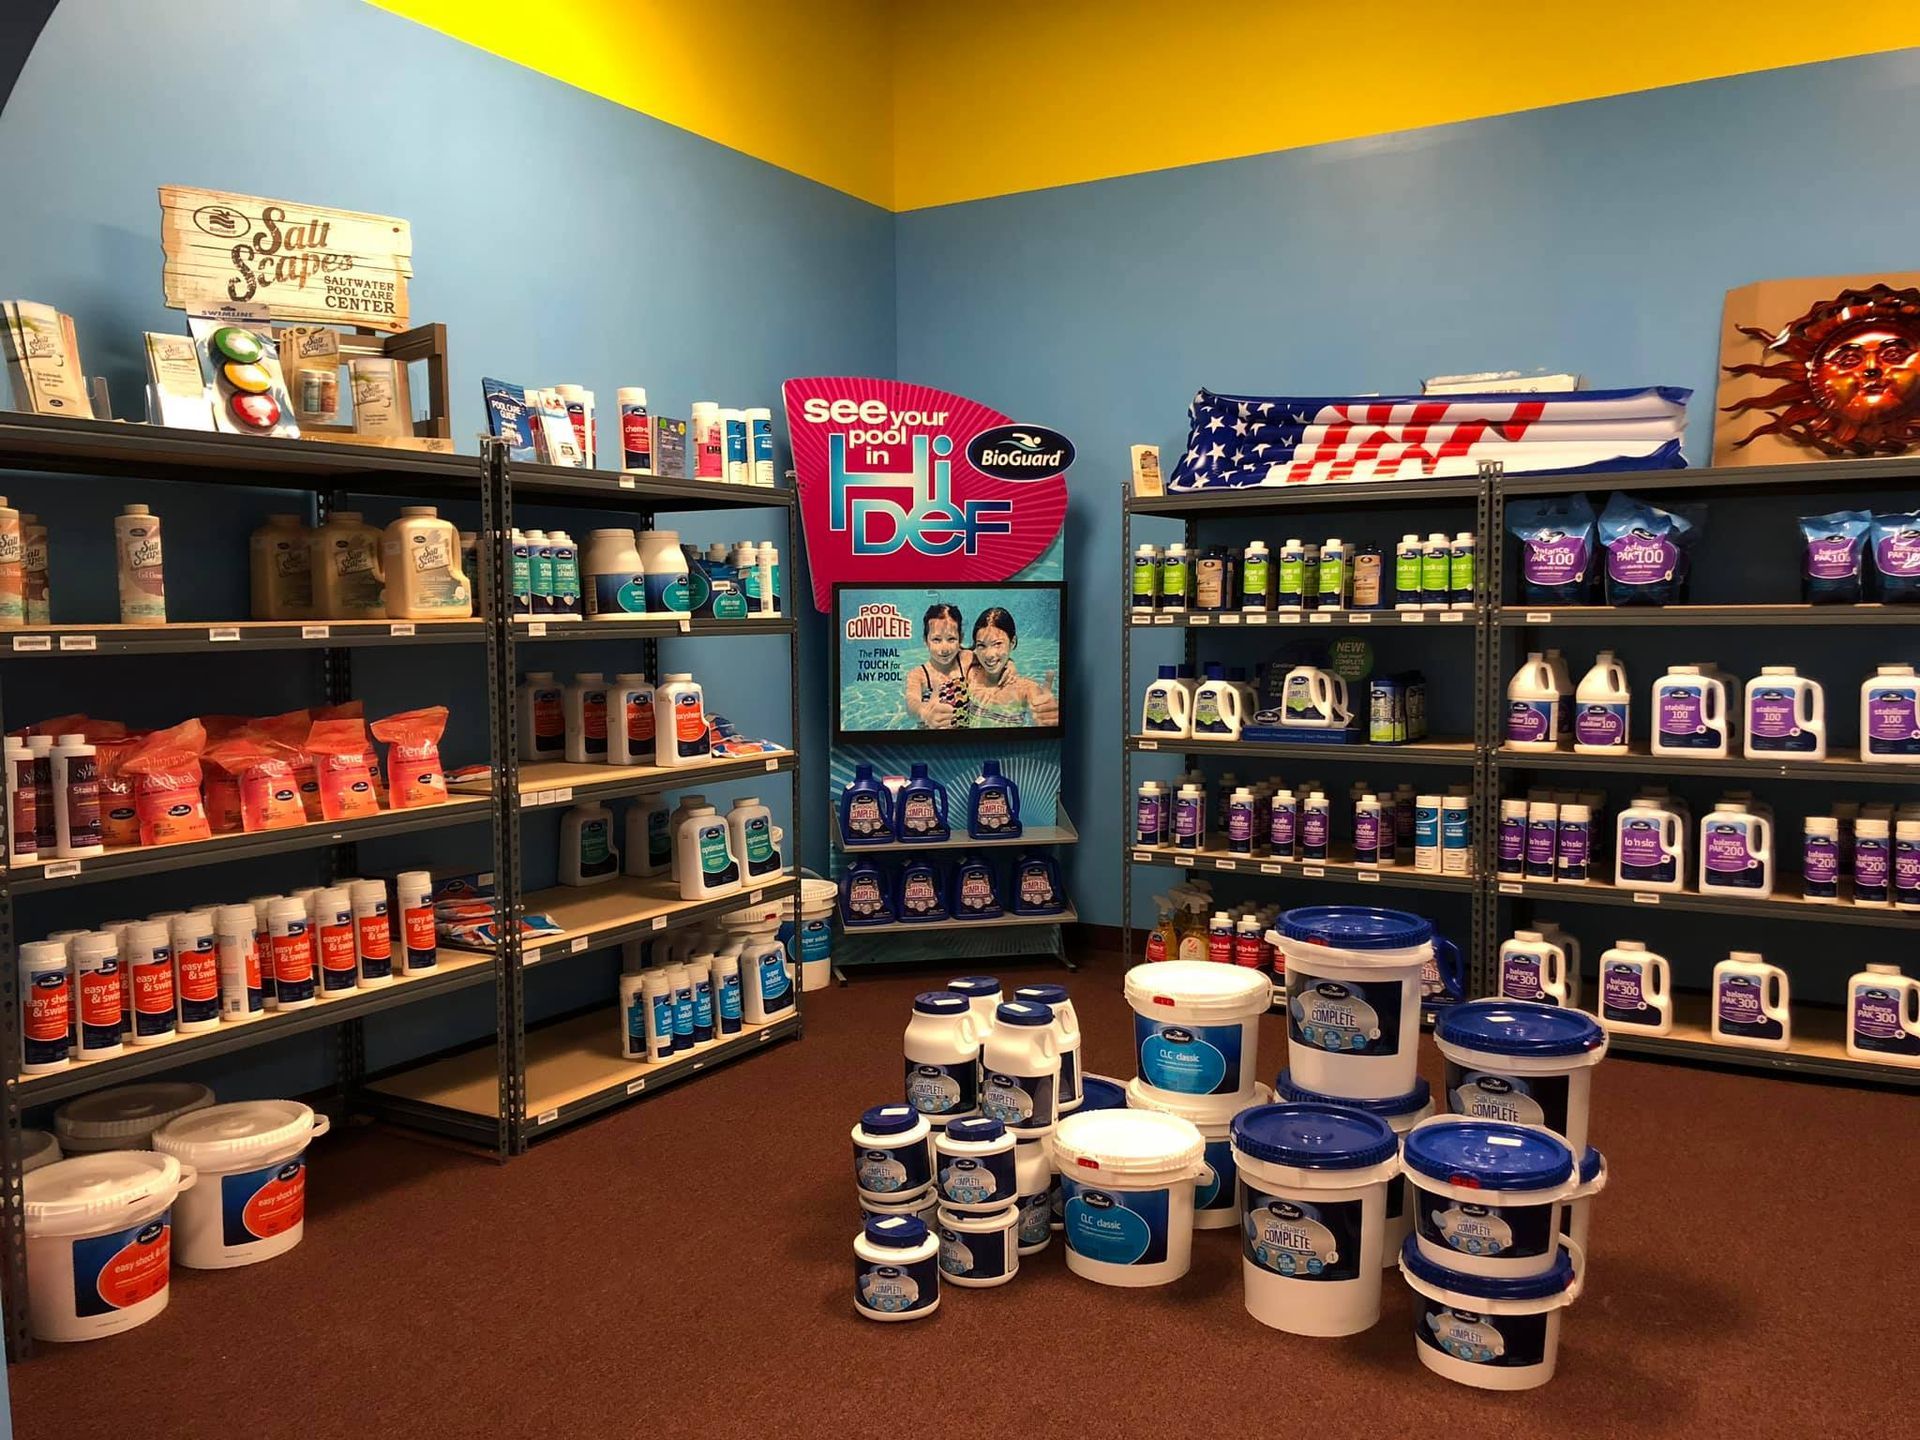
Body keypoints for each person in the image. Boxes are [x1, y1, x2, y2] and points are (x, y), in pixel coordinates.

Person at [963, 605, 1058, 728]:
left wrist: (1048, 714)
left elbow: (1043, 710)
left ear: (1012, 643)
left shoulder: (1025, 689)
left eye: (997, 644)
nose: (989, 655)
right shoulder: (970, 674)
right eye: (982, 645)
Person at [903, 602, 971, 729]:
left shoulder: (966, 659)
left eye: (951, 639)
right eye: (936, 640)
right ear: (925, 641)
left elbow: (988, 657)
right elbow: (911, 704)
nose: (944, 649)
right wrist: (924, 712)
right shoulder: (919, 674)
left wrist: (1009, 665)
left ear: (960, 638)